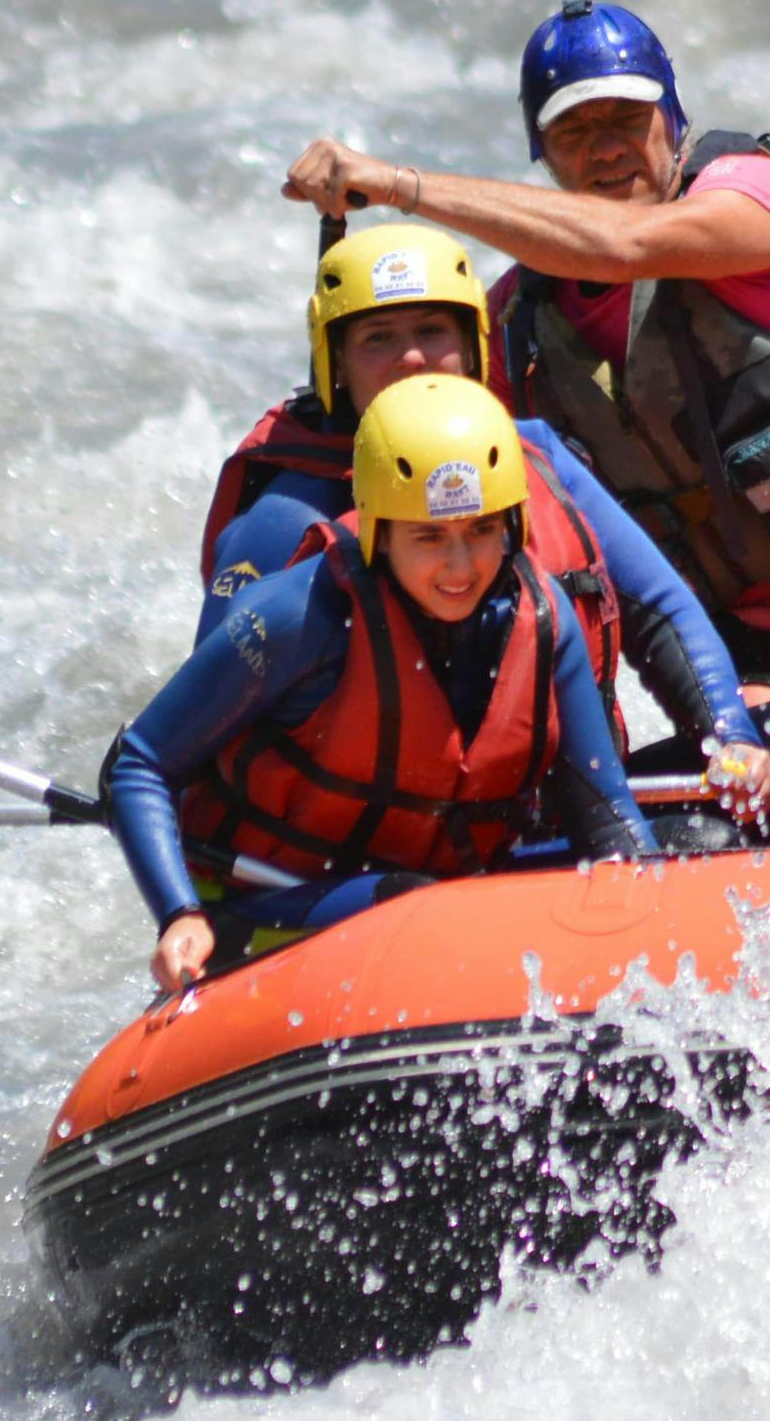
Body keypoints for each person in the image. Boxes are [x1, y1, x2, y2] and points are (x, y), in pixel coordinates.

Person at [278, 0, 770, 690]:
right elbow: (409, 451)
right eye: (573, 130)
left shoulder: (759, 196)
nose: (605, 147)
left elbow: (624, 245)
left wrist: (401, 186)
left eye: (627, 120)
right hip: (742, 655)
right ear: (541, 155)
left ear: (673, 118)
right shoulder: (519, 325)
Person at [196, 221, 770, 827]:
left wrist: (730, 737)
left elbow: (662, 610)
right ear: (336, 363)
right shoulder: (285, 519)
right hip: (383, 860)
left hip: (577, 812)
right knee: (700, 845)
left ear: (474, 344)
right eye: (378, 338)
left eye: (433, 331)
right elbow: (208, 736)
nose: (414, 357)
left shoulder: (538, 458)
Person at [107, 376, 663, 994]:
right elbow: (143, 762)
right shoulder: (301, 617)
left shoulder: (543, 618)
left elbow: (611, 828)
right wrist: (178, 914)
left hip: (450, 906)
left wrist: (653, 926)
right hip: (268, 903)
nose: (461, 566)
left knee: (691, 844)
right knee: (421, 907)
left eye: (482, 531)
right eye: (428, 536)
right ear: (379, 530)